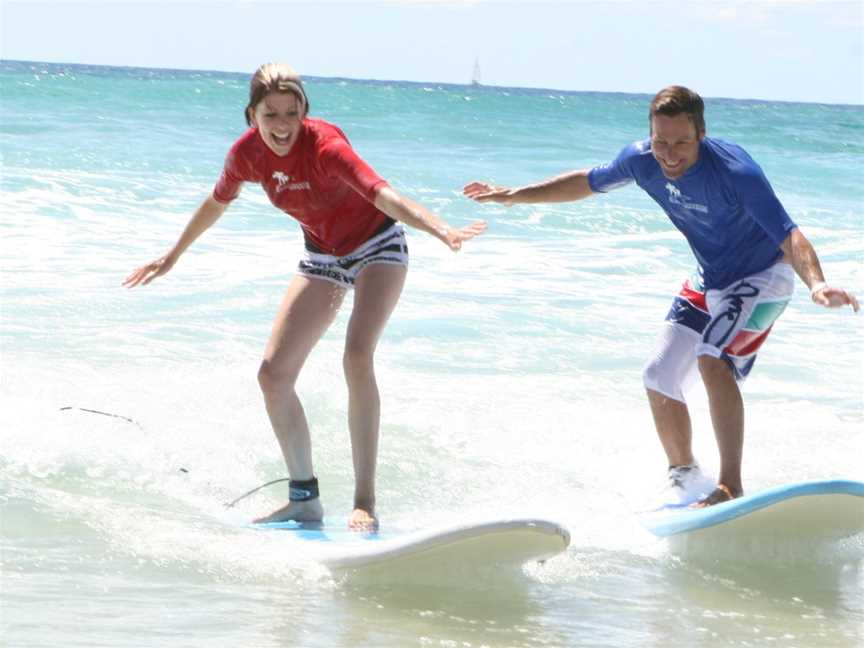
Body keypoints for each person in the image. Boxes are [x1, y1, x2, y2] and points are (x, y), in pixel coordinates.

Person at [125, 63, 486, 529]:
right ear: (251, 113)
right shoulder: (246, 154)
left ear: (304, 113)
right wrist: (172, 255)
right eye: (270, 113)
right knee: (273, 375)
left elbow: (383, 195)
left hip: (377, 246)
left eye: (291, 113)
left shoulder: (325, 147)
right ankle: (304, 499)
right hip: (322, 256)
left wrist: (440, 228)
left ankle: (365, 502)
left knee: (357, 355)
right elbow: (217, 201)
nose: (281, 125)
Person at [463, 85, 858, 508]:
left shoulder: (735, 172)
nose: (669, 154)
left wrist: (816, 283)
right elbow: (586, 182)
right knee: (658, 375)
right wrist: (514, 195)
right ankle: (684, 477)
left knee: (712, 357)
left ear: (701, 135)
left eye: (681, 143)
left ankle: (729, 486)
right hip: (712, 278)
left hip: (764, 276)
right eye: (661, 142)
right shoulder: (640, 160)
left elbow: (788, 233)